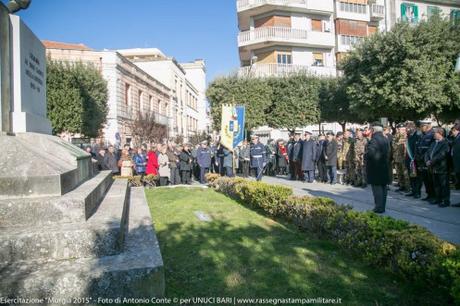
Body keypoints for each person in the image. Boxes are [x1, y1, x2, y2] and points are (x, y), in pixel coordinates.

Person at [365, 122, 391, 214]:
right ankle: (382, 206)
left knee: (377, 188)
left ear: (373, 129)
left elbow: (370, 153)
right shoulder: (385, 139)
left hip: (375, 167)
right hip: (384, 166)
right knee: (383, 187)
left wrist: (366, 154)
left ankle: (378, 207)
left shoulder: (374, 139)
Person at [425, 128, 450, 207]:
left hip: (442, 168)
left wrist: (431, 161)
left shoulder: (445, 143)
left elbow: (442, 154)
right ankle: (438, 198)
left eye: (435, 133)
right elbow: (427, 152)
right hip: (433, 168)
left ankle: (445, 200)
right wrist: (426, 160)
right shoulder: (433, 143)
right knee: (436, 185)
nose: (433, 134)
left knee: (443, 185)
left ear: (440, 133)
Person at [415, 120, 435, 202]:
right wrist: (418, 156)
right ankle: (429, 194)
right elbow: (418, 147)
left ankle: (433, 195)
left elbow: (431, 149)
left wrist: (425, 157)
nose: (421, 127)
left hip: (427, 160)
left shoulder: (432, 135)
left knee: (430, 179)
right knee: (425, 179)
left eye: (422, 126)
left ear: (427, 125)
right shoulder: (422, 135)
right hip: (421, 160)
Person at [405, 121, 422, 198]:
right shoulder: (409, 136)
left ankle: (417, 192)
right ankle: (413, 190)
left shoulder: (418, 135)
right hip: (409, 159)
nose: (407, 129)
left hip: (415, 160)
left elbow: (418, 148)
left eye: (409, 127)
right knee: (411, 176)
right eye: (407, 127)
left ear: (413, 127)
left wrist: (415, 158)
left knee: (417, 177)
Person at [393, 123, 410, 192]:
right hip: (397, 157)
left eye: (401, 129)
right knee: (399, 173)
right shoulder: (396, 136)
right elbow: (393, 146)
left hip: (403, 158)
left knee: (405, 173)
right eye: (399, 129)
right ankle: (401, 185)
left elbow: (407, 148)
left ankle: (407, 187)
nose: (399, 130)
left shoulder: (406, 136)